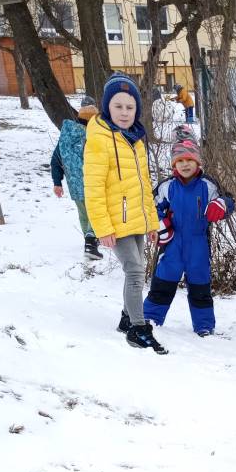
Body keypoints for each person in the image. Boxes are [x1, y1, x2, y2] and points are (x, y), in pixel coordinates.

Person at [83, 73, 165, 354]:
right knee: (135, 272)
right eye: (118, 106)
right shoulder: (99, 140)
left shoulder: (136, 139)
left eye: (130, 107)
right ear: (107, 107)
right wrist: (103, 228)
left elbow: (143, 186)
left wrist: (151, 223)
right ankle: (138, 329)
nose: (124, 112)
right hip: (115, 223)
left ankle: (126, 318)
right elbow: (93, 189)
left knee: (135, 272)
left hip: (136, 220)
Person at [143, 127, 234, 336]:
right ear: (174, 164)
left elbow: (228, 200)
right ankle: (151, 318)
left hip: (198, 245)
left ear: (197, 162)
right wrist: (159, 223)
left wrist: (221, 204)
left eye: (189, 160)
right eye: (180, 160)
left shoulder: (208, 185)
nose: (185, 164)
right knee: (162, 284)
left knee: (200, 288)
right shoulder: (167, 186)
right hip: (172, 246)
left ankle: (204, 325)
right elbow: (150, 207)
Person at [51, 96, 101, 260]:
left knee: (83, 213)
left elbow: (56, 160)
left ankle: (88, 240)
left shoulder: (66, 137)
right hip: (92, 182)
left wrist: (57, 182)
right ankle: (91, 242)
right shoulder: (93, 136)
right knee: (95, 211)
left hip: (74, 184)